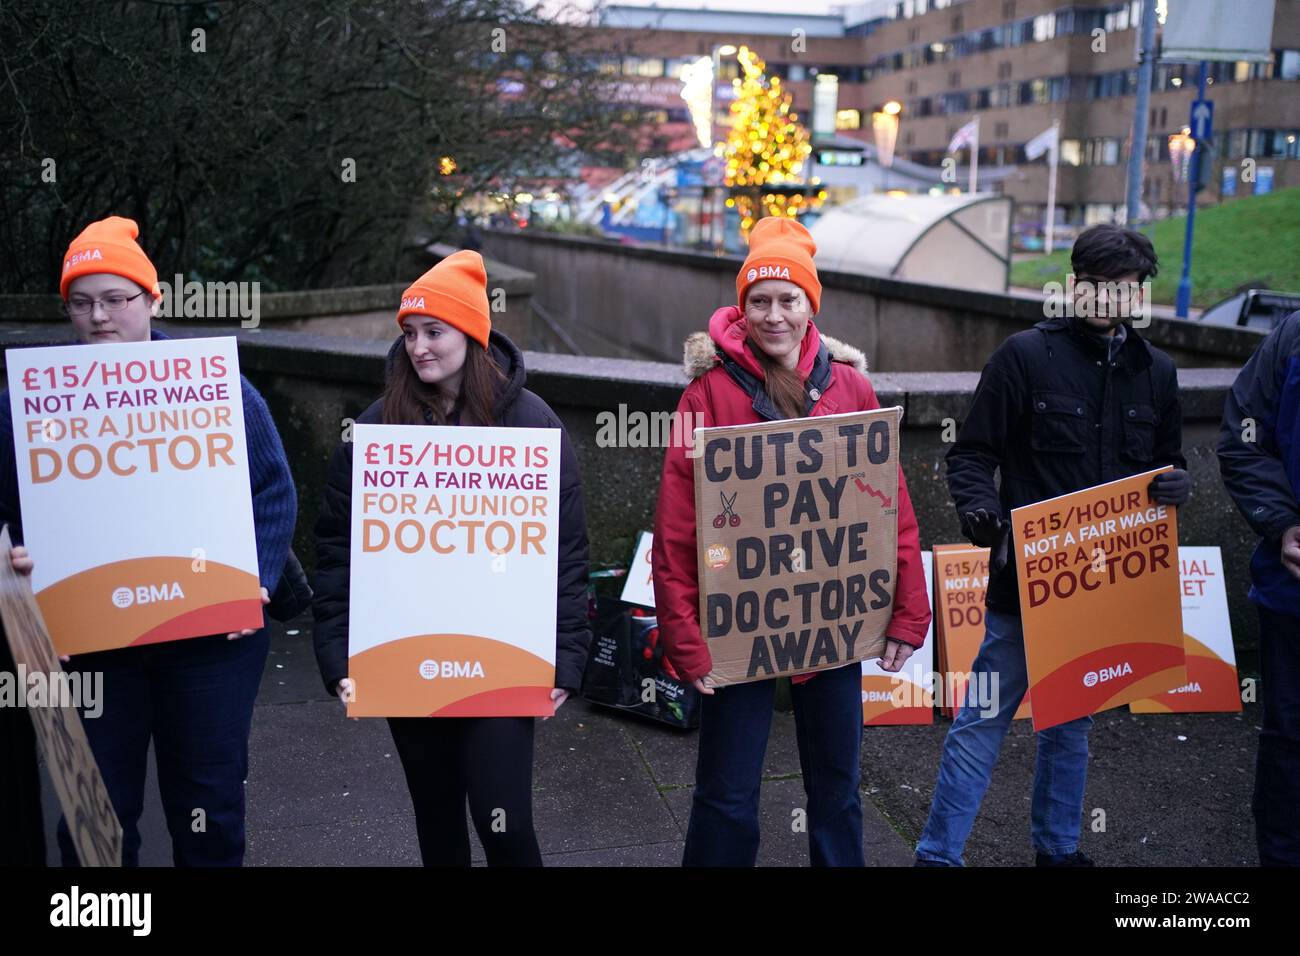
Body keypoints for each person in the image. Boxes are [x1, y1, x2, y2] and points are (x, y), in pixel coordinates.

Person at [0, 216, 297, 866]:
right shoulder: (27, 403)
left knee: (208, 808)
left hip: (209, 642)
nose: (98, 317)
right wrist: (11, 554)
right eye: (81, 303)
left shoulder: (217, 388)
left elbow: (274, 490)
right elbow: (8, 510)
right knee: (94, 814)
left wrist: (261, 577)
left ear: (152, 299)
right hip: (93, 641)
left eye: (114, 299)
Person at [651, 217, 932, 867]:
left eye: (788, 299)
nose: (774, 314)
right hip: (738, 623)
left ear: (811, 306)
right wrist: (686, 639)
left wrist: (908, 613)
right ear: (741, 307)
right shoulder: (708, 393)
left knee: (837, 789)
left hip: (833, 618)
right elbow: (677, 532)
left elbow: (891, 512)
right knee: (726, 793)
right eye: (760, 300)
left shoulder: (852, 388)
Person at [915, 223, 1191, 866]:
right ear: (1074, 287)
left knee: (1072, 728)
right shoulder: (1023, 357)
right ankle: (936, 856)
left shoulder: (1159, 373)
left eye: (1127, 290)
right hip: (1022, 586)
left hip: (1104, 591)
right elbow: (972, 453)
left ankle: (1058, 852)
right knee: (980, 723)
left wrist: (1178, 481)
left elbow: (1167, 459)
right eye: (1099, 287)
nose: (1112, 302)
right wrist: (981, 511)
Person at [311, 250, 592, 867]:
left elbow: (566, 554)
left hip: (502, 658)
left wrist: (567, 661)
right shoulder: (376, 428)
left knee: (505, 824)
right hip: (406, 654)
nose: (418, 347)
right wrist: (337, 657)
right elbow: (336, 554)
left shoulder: (531, 424)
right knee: (437, 823)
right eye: (409, 333)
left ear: (472, 332)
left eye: (433, 331)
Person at [1217, 310, 1300, 867]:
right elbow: (1243, 440)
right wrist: (1283, 524)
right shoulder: (1291, 337)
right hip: (1291, 594)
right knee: (1290, 739)